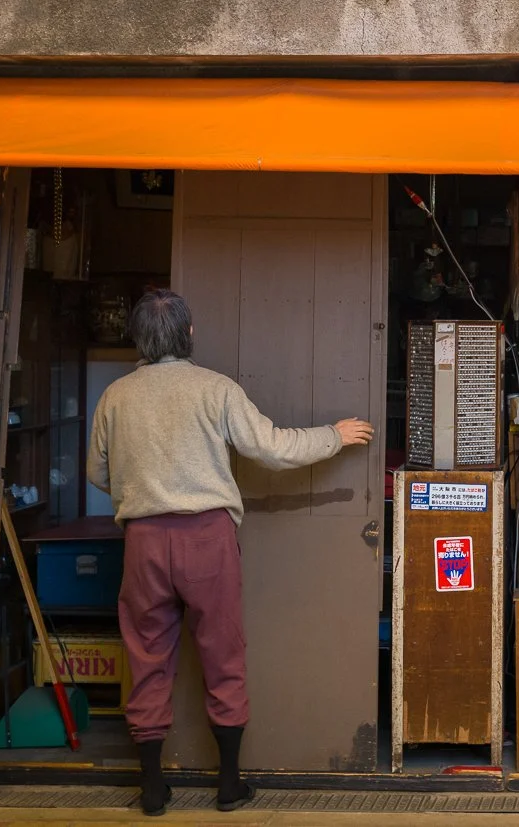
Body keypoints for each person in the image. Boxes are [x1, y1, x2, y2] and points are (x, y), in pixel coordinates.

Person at [88, 289, 374, 816]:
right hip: (207, 539)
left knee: (146, 656)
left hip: (143, 541)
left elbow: (98, 474)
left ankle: (152, 788)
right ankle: (228, 784)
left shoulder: (115, 397)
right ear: (188, 334)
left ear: (139, 340)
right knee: (223, 653)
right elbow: (270, 447)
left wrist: (145, 493)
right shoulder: (215, 389)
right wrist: (333, 435)